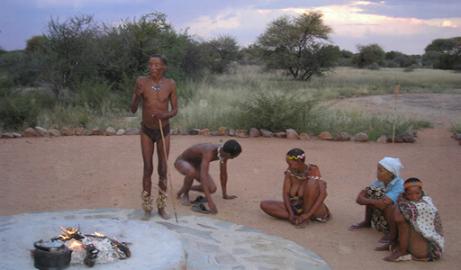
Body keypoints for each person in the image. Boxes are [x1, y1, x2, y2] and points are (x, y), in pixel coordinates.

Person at [130, 54, 178, 220]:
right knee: (148, 167)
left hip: (163, 130)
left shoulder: (170, 84)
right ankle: (147, 208)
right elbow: (133, 109)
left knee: (163, 168)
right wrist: (136, 95)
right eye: (150, 65)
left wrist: (164, 114)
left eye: (157, 65)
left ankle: (162, 207)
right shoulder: (141, 82)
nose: (152, 68)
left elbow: (175, 110)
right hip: (147, 131)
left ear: (163, 67)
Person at [260, 148, 330, 228]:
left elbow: (323, 194)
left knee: (312, 183)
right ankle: (297, 218)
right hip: (296, 208)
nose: (288, 166)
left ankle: (306, 218)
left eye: (290, 164)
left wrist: (307, 215)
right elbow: (285, 194)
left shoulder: (313, 170)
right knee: (265, 205)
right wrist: (291, 213)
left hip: (313, 210)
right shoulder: (290, 172)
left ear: (299, 162)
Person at [381, 177, 444, 262]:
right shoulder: (407, 201)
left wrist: (400, 200)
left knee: (403, 222)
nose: (414, 196)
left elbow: (398, 219)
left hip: (430, 248)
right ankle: (393, 242)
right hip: (420, 238)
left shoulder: (423, 203)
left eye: (417, 193)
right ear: (405, 194)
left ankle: (402, 251)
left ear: (421, 192)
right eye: (410, 194)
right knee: (393, 209)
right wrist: (400, 202)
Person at [174, 139, 242, 214]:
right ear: (228, 154)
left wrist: (224, 194)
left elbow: (223, 174)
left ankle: (186, 187)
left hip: (196, 165)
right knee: (191, 172)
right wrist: (210, 202)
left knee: (212, 189)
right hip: (182, 162)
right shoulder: (209, 151)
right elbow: (204, 177)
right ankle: (185, 194)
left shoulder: (224, 153)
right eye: (233, 157)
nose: (232, 159)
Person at [349, 157, 404, 244]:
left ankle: (392, 234)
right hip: (384, 214)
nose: (377, 172)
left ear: (390, 174)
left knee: (390, 206)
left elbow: (384, 204)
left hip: (397, 216)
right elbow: (360, 198)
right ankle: (367, 222)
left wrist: (367, 199)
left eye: (380, 170)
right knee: (372, 194)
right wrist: (370, 199)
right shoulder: (379, 181)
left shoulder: (399, 185)